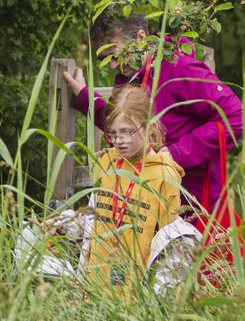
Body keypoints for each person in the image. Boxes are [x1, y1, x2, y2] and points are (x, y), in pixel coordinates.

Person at [62, 9, 243, 219]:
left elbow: (234, 119)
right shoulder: (128, 75)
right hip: (148, 203)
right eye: (105, 59)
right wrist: (86, 99)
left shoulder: (180, 69)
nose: (112, 65)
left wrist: (174, 154)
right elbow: (130, 126)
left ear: (140, 38)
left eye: (115, 55)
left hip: (191, 204)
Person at [82, 86, 192, 290]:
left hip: (137, 289)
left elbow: (171, 243)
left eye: (126, 132)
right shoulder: (105, 162)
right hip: (95, 284)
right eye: (112, 133)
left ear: (148, 126)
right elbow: (94, 214)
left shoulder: (164, 175)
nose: (119, 141)